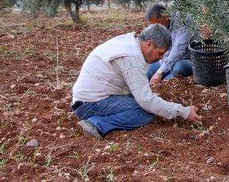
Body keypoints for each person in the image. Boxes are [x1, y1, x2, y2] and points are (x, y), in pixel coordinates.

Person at [71, 24, 202, 138]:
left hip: (92, 97)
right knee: (145, 114)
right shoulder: (131, 58)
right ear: (149, 43)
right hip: (89, 104)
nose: (161, 58)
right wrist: (183, 112)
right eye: (160, 53)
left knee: (148, 104)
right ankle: (96, 124)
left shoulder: (131, 42)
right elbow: (146, 101)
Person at [144, 3, 194, 87]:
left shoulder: (183, 20)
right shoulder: (163, 25)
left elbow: (178, 49)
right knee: (148, 74)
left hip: (187, 59)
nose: (156, 27)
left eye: (158, 23)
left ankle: (166, 82)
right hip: (168, 60)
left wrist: (160, 71)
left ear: (165, 16)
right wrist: (161, 69)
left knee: (178, 69)